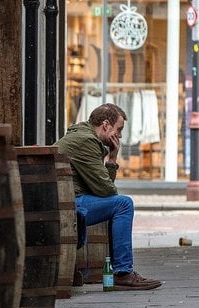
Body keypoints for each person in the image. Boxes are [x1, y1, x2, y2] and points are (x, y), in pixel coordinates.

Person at [56, 103, 162, 290]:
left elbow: (102, 188)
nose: (119, 136)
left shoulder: (81, 136)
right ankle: (123, 273)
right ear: (106, 125)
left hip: (67, 201)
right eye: (119, 129)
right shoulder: (86, 141)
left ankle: (122, 271)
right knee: (123, 204)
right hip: (69, 205)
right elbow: (107, 190)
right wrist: (112, 159)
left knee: (119, 203)